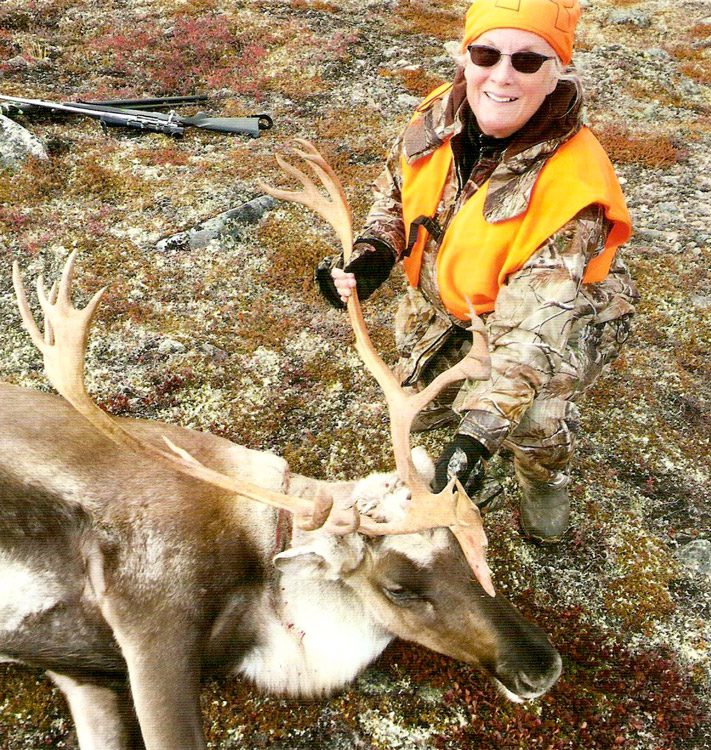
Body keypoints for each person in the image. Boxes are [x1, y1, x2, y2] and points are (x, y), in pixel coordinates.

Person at [315, 0, 639, 543]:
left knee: (532, 417)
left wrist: (474, 441)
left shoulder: (574, 189)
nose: (503, 75)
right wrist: (373, 254)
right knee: (422, 410)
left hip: (557, 320)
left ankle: (543, 481)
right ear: (465, 58)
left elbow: (532, 339)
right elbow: (397, 196)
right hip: (454, 301)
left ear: (558, 70)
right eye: (486, 54)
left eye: (528, 61)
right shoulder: (438, 116)